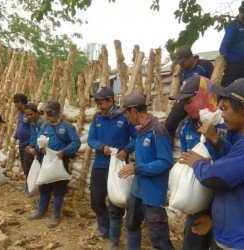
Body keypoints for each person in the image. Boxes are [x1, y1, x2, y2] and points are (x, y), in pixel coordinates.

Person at [169, 75, 234, 250]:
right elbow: (185, 159)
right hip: (197, 199)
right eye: (183, 102)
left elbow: (236, 161)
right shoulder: (185, 127)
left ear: (204, 95)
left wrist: (213, 152)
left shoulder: (228, 125)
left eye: (188, 100)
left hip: (226, 202)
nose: (185, 107)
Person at [117, 93, 174, 250]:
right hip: (137, 190)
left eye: (126, 113)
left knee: (159, 239)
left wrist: (137, 168)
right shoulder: (140, 130)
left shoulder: (158, 131)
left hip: (153, 193)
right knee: (131, 224)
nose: (126, 117)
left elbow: (165, 162)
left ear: (134, 111)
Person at [88, 87, 136, 249]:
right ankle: (104, 228)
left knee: (116, 202)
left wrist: (126, 150)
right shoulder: (97, 118)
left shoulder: (124, 117)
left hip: (118, 167)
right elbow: (91, 139)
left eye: (101, 102)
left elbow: (136, 138)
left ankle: (114, 240)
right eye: (96, 102)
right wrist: (101, 147)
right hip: (100, 165)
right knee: (96, 199)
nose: (98, 105)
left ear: (111, 100)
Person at [29, 101, 81, 229]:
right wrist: (42, 149)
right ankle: (41, 212)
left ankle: (55, 216)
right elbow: (38, 141)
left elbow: (76, 142)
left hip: (60, 161)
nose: (47, 114)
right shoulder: (45, 126)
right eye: (46, 112)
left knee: (59, 190)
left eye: (50, 112)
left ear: (57, 111)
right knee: (44, 187)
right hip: (46, 160)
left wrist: (65, 152)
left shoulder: (68, 127)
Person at [165, 45, 214, 138]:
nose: (181, 64)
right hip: (184, 100)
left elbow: (214, 82)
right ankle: (168, 147)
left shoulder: (205, 65)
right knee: (169, 123)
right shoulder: (181, 70)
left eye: (183, 62)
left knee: (200, 124)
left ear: (190, 57)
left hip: (201, 101)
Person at [220, 1, 244, 87]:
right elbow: (224, 46)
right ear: (241, 12)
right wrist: (224, 59)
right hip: (234, 62)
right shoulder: (233, 26)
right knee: (227, 88)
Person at [13, 94, 33, 190]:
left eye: (15, 103)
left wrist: (31, 144)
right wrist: (16, 136)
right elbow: (20, 125)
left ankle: (30, 186)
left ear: (20, 102)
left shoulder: (29, 113)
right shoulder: (21, 113)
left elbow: (34, 128)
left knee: (28, 164)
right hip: (22, 143)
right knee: (24, 165)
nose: (14, 105)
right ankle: (27, 184)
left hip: (28, 144)